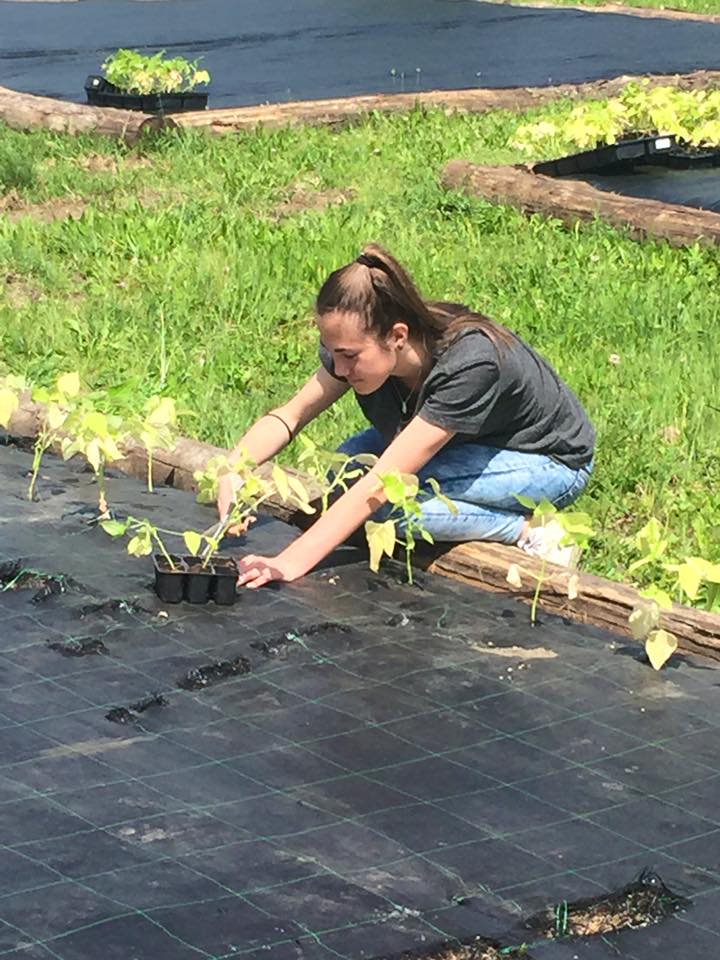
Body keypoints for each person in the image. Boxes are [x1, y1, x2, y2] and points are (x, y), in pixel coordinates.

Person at [218, 244, 595, 589]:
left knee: (389, 512)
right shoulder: (357, 350)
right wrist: (233, 469)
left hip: (547, 461)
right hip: (464, 441)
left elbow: (381, 483)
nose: (340, 367)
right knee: (344, 472)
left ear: (397, 336)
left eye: (349, 356)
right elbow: (291, 415)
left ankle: (529, 529)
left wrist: (287, 563)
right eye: (334, 353)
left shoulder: (470, 364)